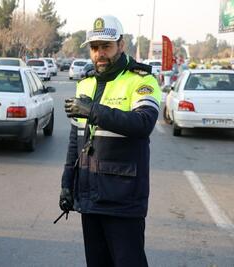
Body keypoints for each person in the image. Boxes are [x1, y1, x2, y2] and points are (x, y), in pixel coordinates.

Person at [59, 15, 161, 267]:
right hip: (89, 196)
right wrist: (67, 184)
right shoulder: (85, 83)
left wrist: (92, 110)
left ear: (121, 45)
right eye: (94, 48)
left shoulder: (141, 80)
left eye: (106, 46)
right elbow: (76, 140)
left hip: (123, 198)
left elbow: (143, 124)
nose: (99, 54)